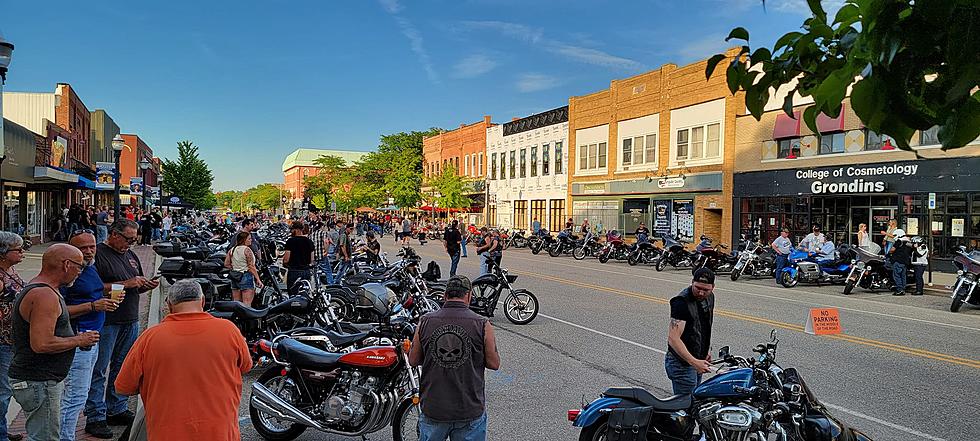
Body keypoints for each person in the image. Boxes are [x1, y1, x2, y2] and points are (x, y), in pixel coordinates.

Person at [115, 280, 252, 440]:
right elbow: (246, 366)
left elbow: (124, 387)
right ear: (202, 301)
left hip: (166, 434)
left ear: (169, 305)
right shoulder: (229, 330)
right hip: (220, 432)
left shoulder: (149, 338)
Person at [10, 244, 99, 441]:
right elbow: (41, 344)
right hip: (39, 381)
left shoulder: (45, 290)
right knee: (45, 437)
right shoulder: (44, 295)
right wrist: (78, 340)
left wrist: (75, 341)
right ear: (67, 265)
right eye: (79, 266)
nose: (80, 272)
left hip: (40, 379)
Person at [85, 220, 159, 437]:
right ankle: (95, 415)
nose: (130, 243)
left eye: (133, 239)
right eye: (127, 239)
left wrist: (144, 285)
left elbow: (133, 284)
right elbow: (93, 288)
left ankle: (115, 407)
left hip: (129, 318)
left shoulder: (130, 255)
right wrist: (127, 283)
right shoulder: (99, 254)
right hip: (107, 321)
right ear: (114, 234)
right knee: (99, 369)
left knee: (122, 366)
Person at [408, 276, 500, 441]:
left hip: (434, 408)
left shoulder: (425, 322)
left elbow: (413, 360)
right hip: (468, 408)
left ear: (445, 295)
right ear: (469, 296)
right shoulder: (482, 324)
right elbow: (494, 363)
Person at [60, 231, 121, 440]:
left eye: (91, 246)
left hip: (93, 337)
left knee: (82, 391)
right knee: (74, 396)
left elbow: (91, 293)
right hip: (78, 339)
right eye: (82, 247)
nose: (88, 251)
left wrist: (105, 297)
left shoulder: (89, 267)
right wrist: (93, 305)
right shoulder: (67, 273)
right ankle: (64, 436)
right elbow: (57, 309)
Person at [665, 268, 715, 395]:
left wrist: (705, 350)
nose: (701, 293)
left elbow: (702, 326)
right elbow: (673, 338)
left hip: (697, 359)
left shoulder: (710, 298)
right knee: (686, 406)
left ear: (713, 287)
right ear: (692, 282)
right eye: (697, 288)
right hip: (682, 364)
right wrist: (694, 362)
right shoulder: (681, 302)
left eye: (706, 290)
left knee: (697, 401)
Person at [0, 232, 27, 441]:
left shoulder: (10, 271)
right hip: (3, 341)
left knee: (5, 389)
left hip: (11, 339)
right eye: (17, 250)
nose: (23, 253)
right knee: (2, 391)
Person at [224, 232, 263, 307]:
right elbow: (251, 266)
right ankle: (245, 318)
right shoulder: (247, 250)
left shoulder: (232, 249)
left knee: (237, 303)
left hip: (235, 277)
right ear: (244, 240)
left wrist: (235, 267)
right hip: (246, 276)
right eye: (249, 239)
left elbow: (226, 264)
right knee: (246, 304)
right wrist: (258, 279)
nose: (251, 240)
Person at [282, 221, 314, 294]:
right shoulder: (309, 241)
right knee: (304, 294)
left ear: (296, 230)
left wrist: (284, 263)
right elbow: (312, 259)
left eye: (292, 230)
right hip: (306, 272)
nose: (291, 232)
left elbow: (286, 259)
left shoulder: (290, 241)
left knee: (293, 295)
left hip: (294, 272)